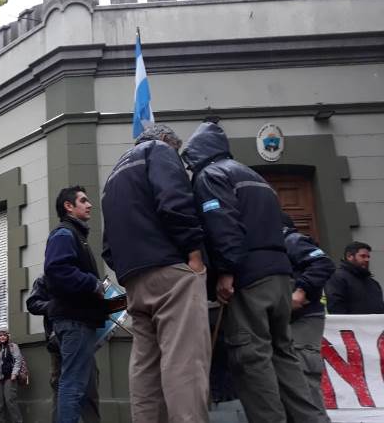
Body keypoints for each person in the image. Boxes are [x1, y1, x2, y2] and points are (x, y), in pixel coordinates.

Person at [181, 121, 323, 423]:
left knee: (251, 358)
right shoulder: (255, 177)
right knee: (284, 355)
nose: (190, 167)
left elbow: (222, 224)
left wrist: (226, 271)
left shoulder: (210, 176)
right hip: (281, 277)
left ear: (198, 154)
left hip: (249, 279)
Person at [101, 124, 210, 423]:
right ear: (165, 140)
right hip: (172, 272)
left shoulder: (115, 173)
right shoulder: (159, 151)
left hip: (134, 280)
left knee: (145, 365)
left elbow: (107, 244)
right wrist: (194, 253)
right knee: (184, 361)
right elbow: (174, 201)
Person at [43, 186, 110, 423]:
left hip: (79, 321)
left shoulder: (74, 234)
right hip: (75, 321)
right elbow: (57, 270)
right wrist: (93, 283)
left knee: (82, 386)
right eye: (83, 200)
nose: (89, 204)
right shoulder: (64, 233)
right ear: (68, 206)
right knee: (72, 385)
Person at [26, 275, 100, 423]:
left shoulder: (79, 278)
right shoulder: (44, 279)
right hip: (58, 343)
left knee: (90, 386)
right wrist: (55, 306)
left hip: (82, 340)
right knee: (61, 388)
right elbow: (32, 303)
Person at [281, 213, 333, 419]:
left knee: (303, 376)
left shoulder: (291, 240)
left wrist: (301, 291)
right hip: (288, 320)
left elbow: (323, 264)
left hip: (304, 318)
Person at [325, 241, 384, 314]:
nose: (367, 260)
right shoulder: (337, 277)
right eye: (363, 256)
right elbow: (336, 308)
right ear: (349, 256)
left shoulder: (373, 283)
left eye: (368, 257)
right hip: (350, 321)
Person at [0, 329, 23, 423]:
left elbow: (18, 360)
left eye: (4, 335)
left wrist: (14, 373)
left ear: (7, 337)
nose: (2, 337)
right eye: (0, 335)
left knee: (10, 401)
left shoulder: (13, 346)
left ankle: (17, 421)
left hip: (9, 378)